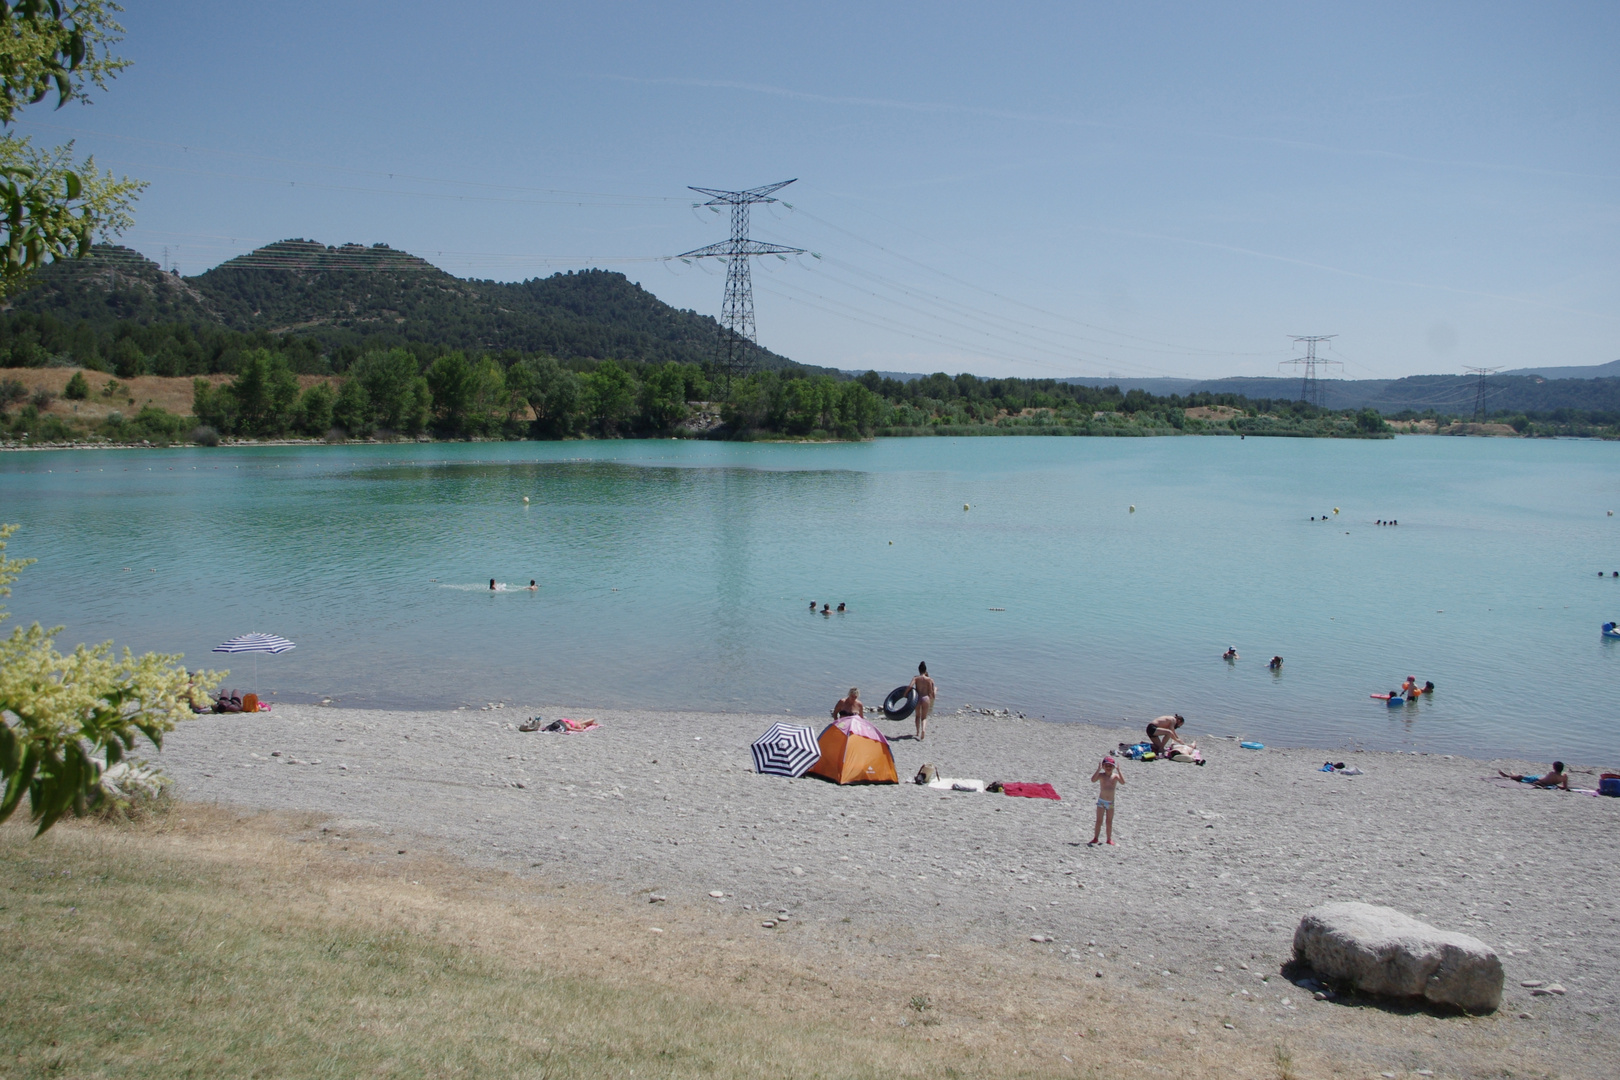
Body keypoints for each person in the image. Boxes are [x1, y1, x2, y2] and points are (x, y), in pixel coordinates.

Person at [1089, 756, 1124, 846]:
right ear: (1104, 766)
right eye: (1106, 766)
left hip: (1110, 802)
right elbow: (1093, 780)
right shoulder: (1101, 775)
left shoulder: (1115, 776)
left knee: (1109, 821)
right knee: (1099, 820)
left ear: (1113, 767)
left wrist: (1119, 771)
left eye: (1110, 766)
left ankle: (1109, 839)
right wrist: (1098, 769)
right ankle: (1096, 838)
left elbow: (1123, 782)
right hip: (1101, 801)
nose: (1108, 768)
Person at [909, 662, 937, 742]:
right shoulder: (929, 679)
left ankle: (917, 732)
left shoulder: (915, 678)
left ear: (919, 670)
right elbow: (931, 692)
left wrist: (905, 693)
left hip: (917, 698)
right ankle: (923, 730)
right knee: (924, 717)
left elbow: (910, 686)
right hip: (925, 698)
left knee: (917, 716)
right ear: (925, 670)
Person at [1498, 762, 1570, 790]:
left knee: (1521, 777)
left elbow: (1542, 782)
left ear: (1554, 768)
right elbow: (1565, 787)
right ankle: (1512, 774)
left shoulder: (1552, 774)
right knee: (1524, 776)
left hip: (1537, 778)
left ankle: (1508, 776)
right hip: (1543, 777)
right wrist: (1556, 786)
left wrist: (1541, 784)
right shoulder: (1564, 776)